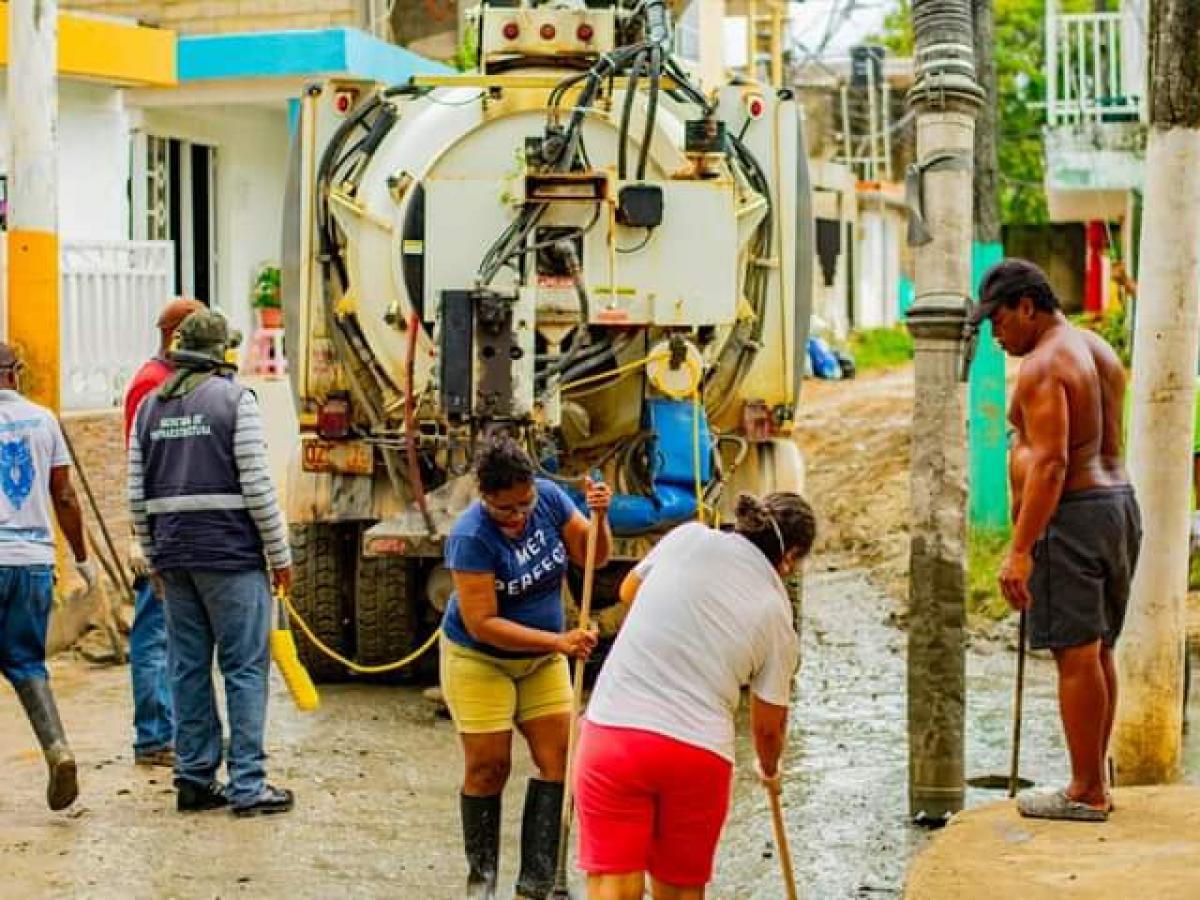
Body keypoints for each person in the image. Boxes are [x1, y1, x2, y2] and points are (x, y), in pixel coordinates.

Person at [575, 492, 815, 900]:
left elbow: (629, 591)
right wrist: (770, 770)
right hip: (697, 751)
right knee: (682, 889)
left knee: (612, 885)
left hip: (615, 732)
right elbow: (767, 730)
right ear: (790, 556)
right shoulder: (778, 616)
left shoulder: (687, 537)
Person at [971, 258, 1141, 822]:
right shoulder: (1095, 347)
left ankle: (1086, 790)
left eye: (998, 320)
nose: (996, 335)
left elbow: (1050, 463)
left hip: (1074, 516)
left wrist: (1019, 550)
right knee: (1098, 649)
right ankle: (1094, 777)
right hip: (1117, 507)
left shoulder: (1044, 364)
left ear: (1027, 306)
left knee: (1076, 653)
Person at [128, 309, 294, 817]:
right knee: (244, 668)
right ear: (221, 352)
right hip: (230, 556)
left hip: (174, 556)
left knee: (188, 668)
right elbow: (257, 486)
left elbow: (136, 494)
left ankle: (195, 778)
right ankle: (248, 785)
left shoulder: (150, 408)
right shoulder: (234, 400)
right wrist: (280, 554)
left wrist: (152, 556)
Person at [441, 436, 612, 899]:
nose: (517, 517)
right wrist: (559, 642)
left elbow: (593, 557)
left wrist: (600, 518)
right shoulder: (471, 536)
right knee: (489, 767)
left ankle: (538, 883)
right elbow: (482, 624)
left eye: (524, 504)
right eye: (505, 510)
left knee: (561, 760)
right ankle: (482, 883)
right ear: (485, 498)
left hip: (541, 661)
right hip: (479, 660)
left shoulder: (550, 499)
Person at [0, 343, 97, 810]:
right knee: (26, 663)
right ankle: (57, 749)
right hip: (34, 562)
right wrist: (82, 558)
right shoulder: (44, 420)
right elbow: (65, 495)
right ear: (15, 373)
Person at [122, 297, 205, 768]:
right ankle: (154, 735)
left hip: (172, 523)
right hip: (160, 525)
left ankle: (167, 731)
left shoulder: (168, 381)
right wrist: (141, 532)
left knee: (171, 631)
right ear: (179, 335)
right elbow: (141, 461)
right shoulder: (151, 385)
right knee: (155, 630)